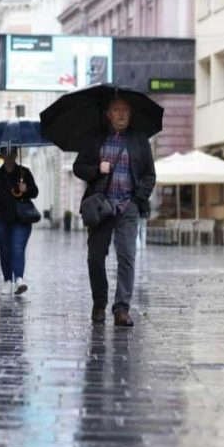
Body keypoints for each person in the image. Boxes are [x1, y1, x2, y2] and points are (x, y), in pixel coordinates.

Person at [74, 96, 156, 327]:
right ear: (108, 114)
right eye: (116, 110)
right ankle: (99, 303)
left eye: (125, 110)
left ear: (130, 114)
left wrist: (137, 200)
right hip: (101, 207)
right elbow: (78, 167)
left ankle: (121, 308)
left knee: (127, 257)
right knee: (95, 258)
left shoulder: (139, 140)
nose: (121, 114)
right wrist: (96, 169)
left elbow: (150, 175)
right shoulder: (95, 138)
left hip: (127, 207)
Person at [0, 146, 38, 295]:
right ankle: (7, 280)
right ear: (1, 154)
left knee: (17, 248)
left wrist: (26, 189)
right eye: (6, 152)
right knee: (5, 249)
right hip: (0, 218)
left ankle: (19, 279)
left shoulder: (24, 172)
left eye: (13, 152)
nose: (9, 155)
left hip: (21, 218)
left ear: (16, 154)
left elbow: (35, 192)